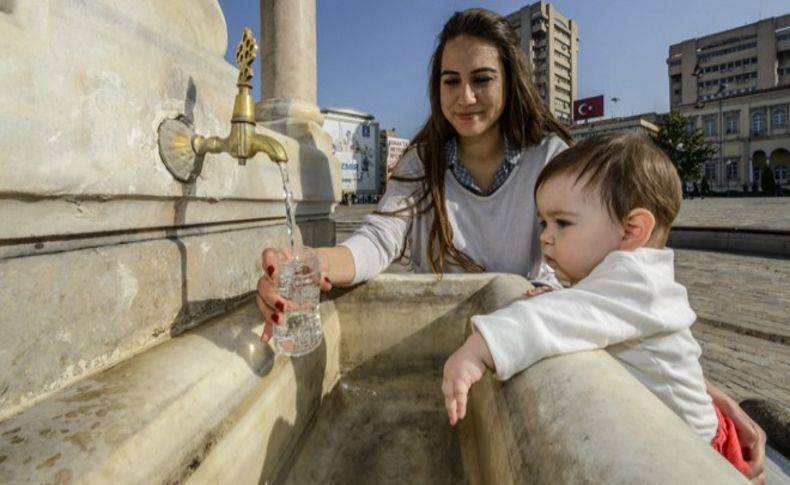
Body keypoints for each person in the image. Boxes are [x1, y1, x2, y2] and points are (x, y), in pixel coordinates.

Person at [255, 9, 765, 482]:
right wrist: (314, 261)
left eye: (482, 79)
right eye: (450, 81)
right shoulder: (422, 160)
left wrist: (703, 391)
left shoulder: (552, 158)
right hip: (462, 352)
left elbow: (616, 300)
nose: (465, 97)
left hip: (530, 339)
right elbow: (376, 240)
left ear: (509, 80)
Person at [441, 132, 756, 478]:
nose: (545, 236)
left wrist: (481, 347)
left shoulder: (636, 279)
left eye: (563, 222)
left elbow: (556, 320)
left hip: (701, 451)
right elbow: (586, 308)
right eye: (544, 222)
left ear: (630, 230)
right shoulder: (630, 278)